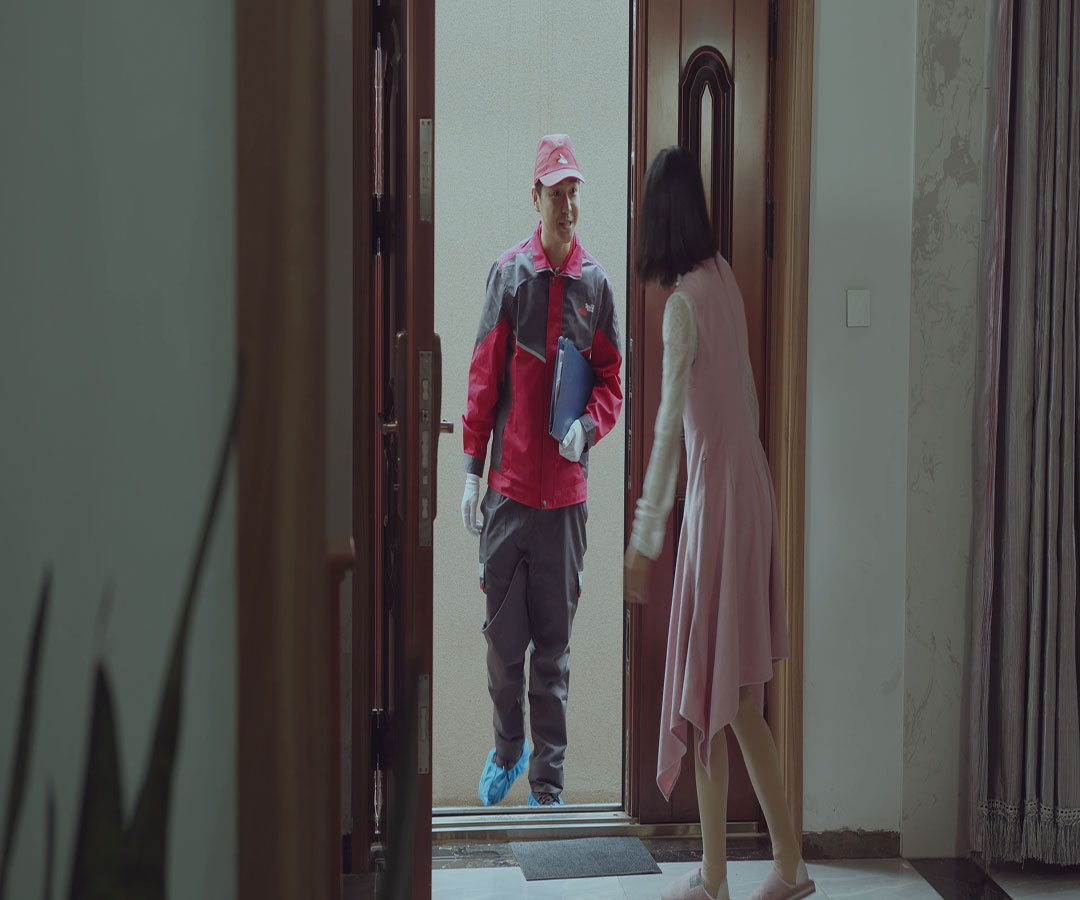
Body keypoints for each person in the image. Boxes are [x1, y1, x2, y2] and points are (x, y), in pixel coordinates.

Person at [624, 146, 815, 900]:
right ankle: (774, 867)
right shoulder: (726, 277)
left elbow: (669, 431)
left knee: (714, 694)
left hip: (719, 498)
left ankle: (724, 876)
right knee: (728, 698)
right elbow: (749, 398)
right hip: (749, 486)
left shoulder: (681, 305)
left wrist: (644, 540)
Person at [461, 134, 623, 807]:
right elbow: (482, 379)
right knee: (504, 648)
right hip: (508, 497)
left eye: (574, 192)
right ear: (535, 198)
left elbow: (613, 379)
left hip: (565, 506)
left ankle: (547, 791)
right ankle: (509, 748)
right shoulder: (508, 277)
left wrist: (590, 425)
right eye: (556, 193)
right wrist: (471, 472)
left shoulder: (596, 286)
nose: (567, 205)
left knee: (552, 656)